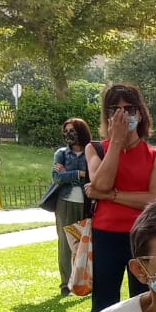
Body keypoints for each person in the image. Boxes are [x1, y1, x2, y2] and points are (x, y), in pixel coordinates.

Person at [87, 84, 156, 312]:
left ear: (140, 113)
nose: (123, 114)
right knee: (104, 300)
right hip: (106, 234)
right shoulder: (95, 149)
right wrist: (116, 142)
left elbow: (155, 200)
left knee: (144, 299)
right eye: (115, 109)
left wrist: (111, 195)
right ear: (108, 116)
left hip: (142, 236)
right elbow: (100, 184)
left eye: (129, 108)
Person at [48, 118, 93, 294]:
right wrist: (80, 174)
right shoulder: (61, 153)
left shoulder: (92, 151)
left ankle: (86, 280)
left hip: (87, 203)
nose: (69, 134)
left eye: (72, 130)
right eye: (66, 131)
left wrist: (71, 174)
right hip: (65, 203)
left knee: (87, 243)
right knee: (65, 244)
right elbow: (57, 177)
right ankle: (65, 283)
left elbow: (92, 176)